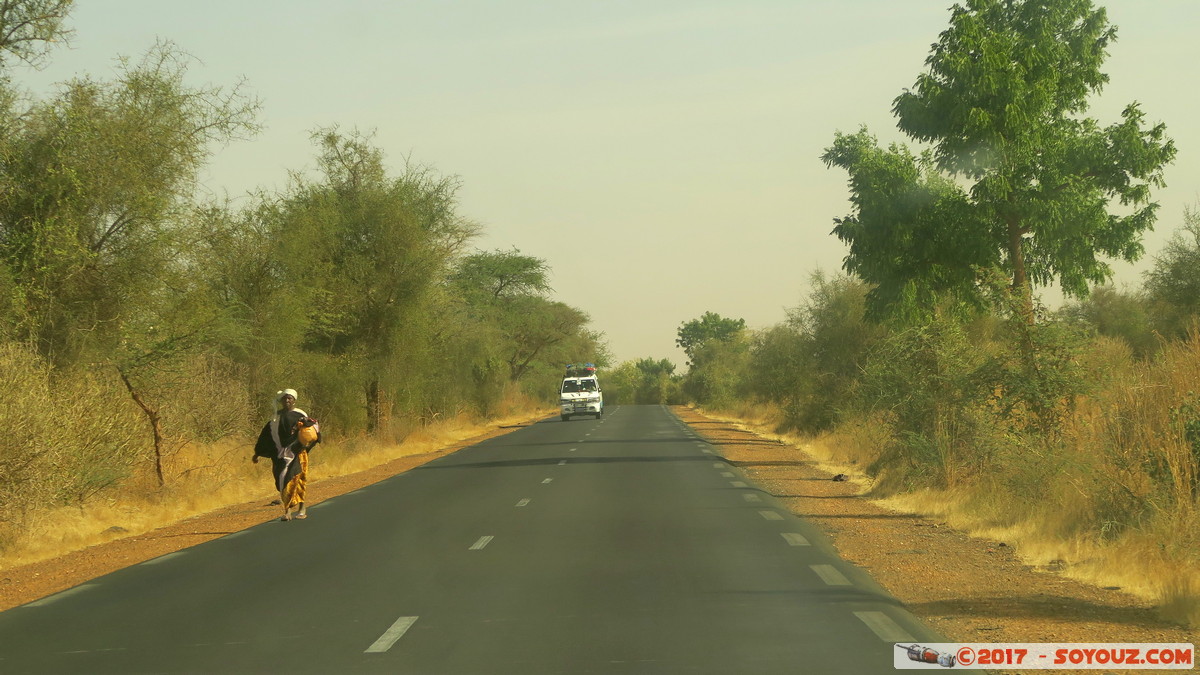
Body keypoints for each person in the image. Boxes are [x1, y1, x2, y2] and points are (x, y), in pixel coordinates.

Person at [252, 388, 320, 521]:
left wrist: (306, 441)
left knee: (298, 480)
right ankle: (287, 510)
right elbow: (266, 435)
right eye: (284, 398)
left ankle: (300, 508)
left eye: (289, 398)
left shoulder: (299, 414)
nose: (287, 400)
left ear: (294, 400)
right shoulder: (275, 417)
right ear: (281, 401)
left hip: (297, 452)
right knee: (282, 481)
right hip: (280, 455)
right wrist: (257, 453)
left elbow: (310, 429)